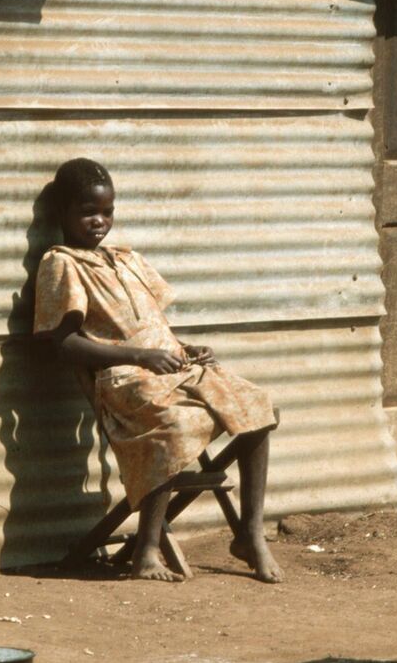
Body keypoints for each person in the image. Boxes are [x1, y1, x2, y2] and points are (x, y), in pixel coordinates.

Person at [32, 158, 282, 583]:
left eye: (107, 212)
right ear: (63, 214)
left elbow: (150, 325)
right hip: (126, 383)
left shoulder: (125, 259)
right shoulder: (62, 264)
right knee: (176, 427)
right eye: (88, 212)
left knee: (258, 408)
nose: (99, 222)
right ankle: (146, 550)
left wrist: (184, 347)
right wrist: (138, 357)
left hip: (173, 368)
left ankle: (249, 533)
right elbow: (61, 344)